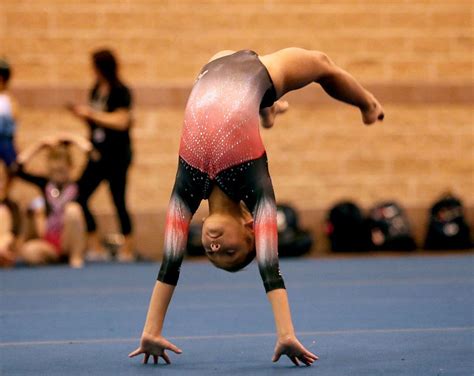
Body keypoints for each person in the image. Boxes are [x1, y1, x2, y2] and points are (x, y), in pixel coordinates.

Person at [129, 48, 384, 366]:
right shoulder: (253, 182)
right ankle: (368, 105)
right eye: (230, 252)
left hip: (215, 64)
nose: (216, 247)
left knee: (245, 86)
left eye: (212, 254)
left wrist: (151, 330)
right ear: (252, 227)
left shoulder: (188, 188)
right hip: (257, 72)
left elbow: (169, 262)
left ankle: (267, 110)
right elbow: (270, 268)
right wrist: (286, 334)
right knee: (321, 64)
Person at [68, 49, 134, 262]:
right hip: (97, 153)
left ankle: (128, 247)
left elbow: (122, 121)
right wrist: (83, 115)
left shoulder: (120, 91)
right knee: (79, 195)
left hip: (117, 156)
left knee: (118, 200)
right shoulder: (96, 89)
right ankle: (94, 242)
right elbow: (97, 121)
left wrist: (92, 114)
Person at [15, 134, 92, 268]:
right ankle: (55, 259)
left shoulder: (80, 186)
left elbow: (96, 158)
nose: (58, 175)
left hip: (69, 239)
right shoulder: (44, 185)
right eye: (54, 171)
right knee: (28, 250)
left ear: (70, 167)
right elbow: (17, 168)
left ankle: (76, 257)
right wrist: (39, 145)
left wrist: (74, 140)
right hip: (50, 242)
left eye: (61, 171)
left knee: (73, 210)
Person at [0, 159, 21, 267]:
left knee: (2, 212)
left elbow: (13, 234)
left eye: (1, 180)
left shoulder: (12, 206)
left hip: (5, 246)